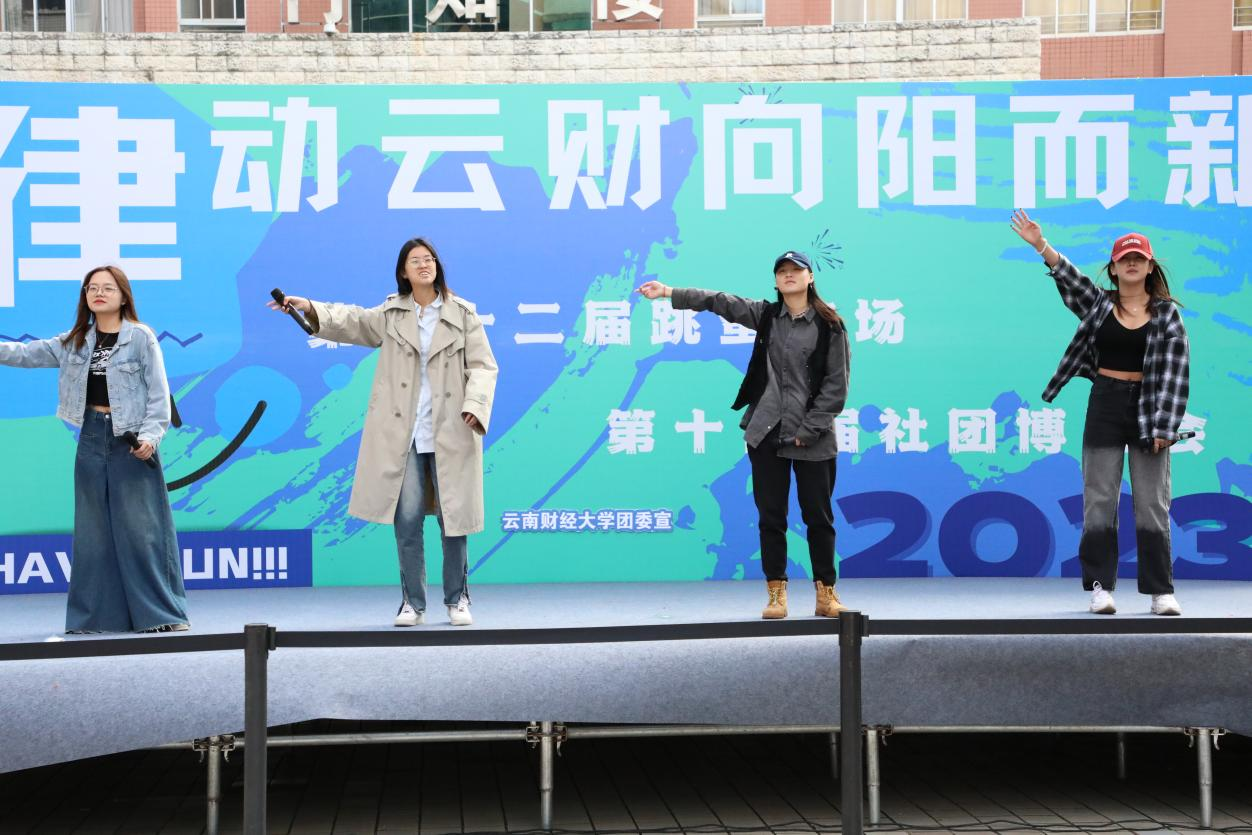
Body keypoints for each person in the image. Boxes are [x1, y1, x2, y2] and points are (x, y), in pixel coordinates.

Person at [271, 238, 498, 627]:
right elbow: (353, 321)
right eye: (416, 260)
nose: (424, 264)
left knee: (454, 519)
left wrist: (474, 406)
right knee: (406, 519)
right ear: (404, 272)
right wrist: (308, 306)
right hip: (404, 434)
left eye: (429, 259)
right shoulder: (392, 313)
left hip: (452, 429)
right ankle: (412, 603)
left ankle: (458, 599)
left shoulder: (462, 314)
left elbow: (483, 366)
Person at [638, 251, 851, 619]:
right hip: (766, 432)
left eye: (796, 270)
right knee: (771, 517)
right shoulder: (765, 315)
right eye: (782, 271)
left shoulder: (830, 325)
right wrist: (670, 292)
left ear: (810, 277)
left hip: (813, 438)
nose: (788, 276)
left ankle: (826, 594)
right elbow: (720, 301)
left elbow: (837, 386)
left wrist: (808, 429)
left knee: (818, 517)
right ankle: (776, 594)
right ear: (776, 281)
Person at [1011, 210, 1188, 616]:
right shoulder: (1098, 305)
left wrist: (1166, 425)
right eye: (1125, 258)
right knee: (1099, 499)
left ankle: (1160, 592)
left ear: (1150, 267)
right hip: (1106, 401)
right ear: (1113, 267)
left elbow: (1177, 373)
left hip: (1150, 407)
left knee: (1152, 503)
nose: (1132, 263)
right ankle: (1100, 587)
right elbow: (1069, 278)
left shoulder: (1167, 314)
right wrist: (1041, 245)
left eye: (1139, 258)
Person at [0, 266, 188, 633]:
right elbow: (24, 353)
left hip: (131, 440)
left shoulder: (141, 337)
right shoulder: (76, 340)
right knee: (92, 532)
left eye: (108, 288)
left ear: (123, 296)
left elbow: (158, 393)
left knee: (143, 531)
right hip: (90, 436)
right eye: (92, 288)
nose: (98, 293)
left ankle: (162, 616)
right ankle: (93, 619)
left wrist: (151, 438)